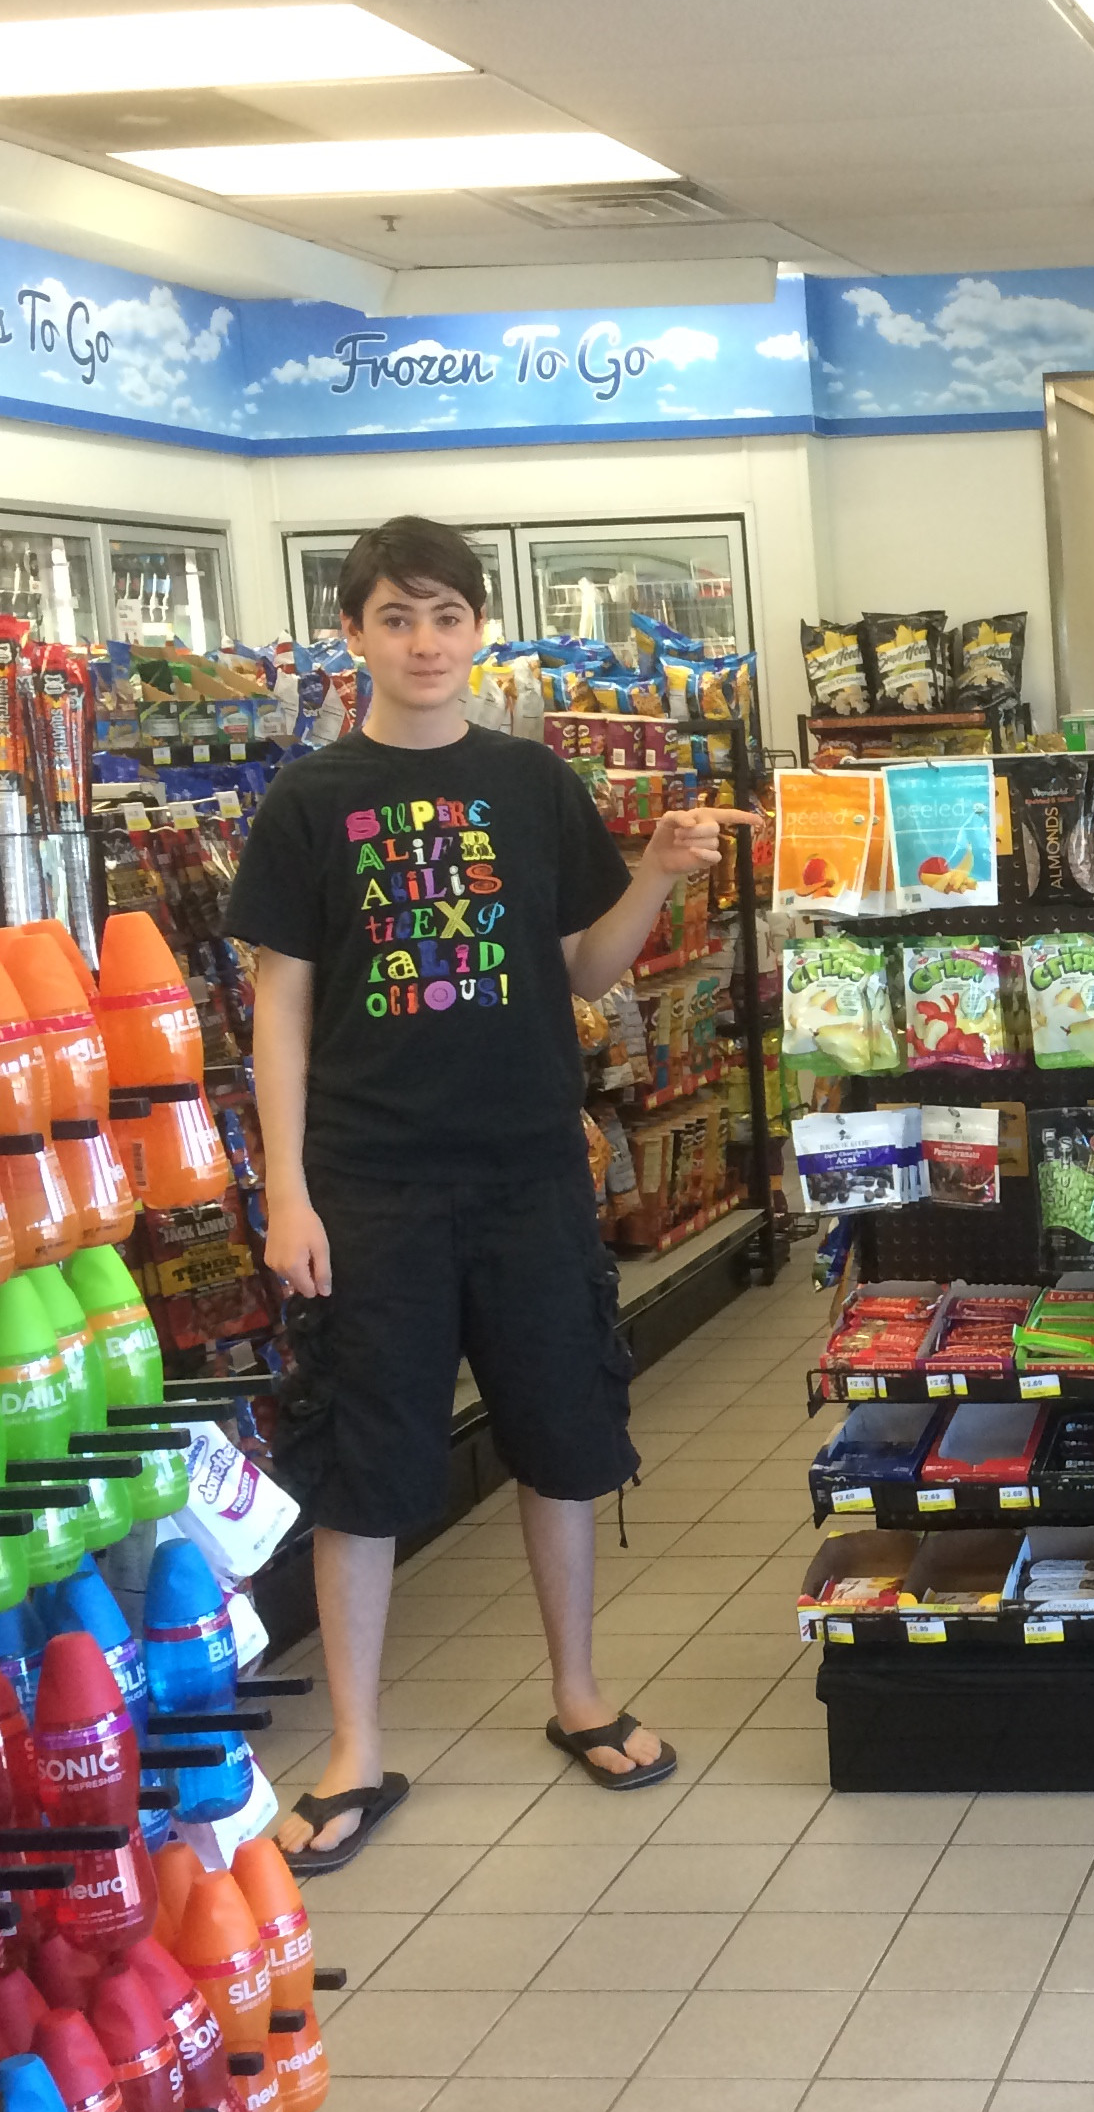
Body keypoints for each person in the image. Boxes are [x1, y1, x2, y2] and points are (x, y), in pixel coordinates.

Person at [225, 517, 759, 1874]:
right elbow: (276, 1011)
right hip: (367, 1183)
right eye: (398, 617)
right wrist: (285, 1190)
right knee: (364, 1464)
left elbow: (587, 975)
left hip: (530, 1169)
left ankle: (578, 1693)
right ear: (353, 633)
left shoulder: (530, 784)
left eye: (449, 616)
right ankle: (353, 1749)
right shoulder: (307, 802)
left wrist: (656, 875)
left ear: (481, 632)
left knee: (561, 1434)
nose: (424, 642)